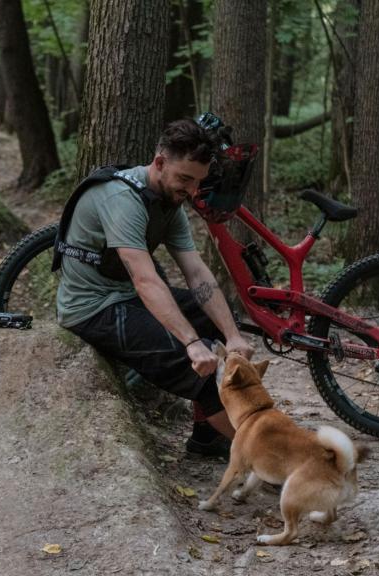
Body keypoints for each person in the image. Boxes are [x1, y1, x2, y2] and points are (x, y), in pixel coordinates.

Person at [54, 117, 255, 456]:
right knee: (197, 365)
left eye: (198, 183)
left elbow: (196, 272)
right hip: (92, 308)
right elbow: (146, 280)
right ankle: (271, 460)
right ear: (160, 162)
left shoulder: (169, 202)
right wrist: (191, 342)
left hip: (126, 296)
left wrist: (232, 334)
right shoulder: (122, 199)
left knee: (216, 322)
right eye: (185, 179)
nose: (191, 191)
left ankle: (207, 436)